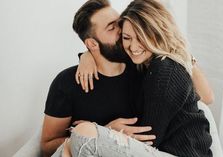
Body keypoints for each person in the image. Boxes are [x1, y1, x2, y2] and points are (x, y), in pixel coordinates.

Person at [58, 0, 213, 156]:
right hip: (164, 149)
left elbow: (149, 138)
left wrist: (103, 130)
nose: (133, 47)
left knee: (81, 134)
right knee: (76, 139)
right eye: (125, 37)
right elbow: (104, 54)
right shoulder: (140, 64)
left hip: (182, 153)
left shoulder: (164, 69)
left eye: (141, 37)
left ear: (155, 32)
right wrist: (87, 56)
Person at [40, 0, 157, 156]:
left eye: (120, 22)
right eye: (112, 27)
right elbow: (47, 146)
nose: (122, 30)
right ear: (92, 44)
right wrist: (104, 133)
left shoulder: (143, 66)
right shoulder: (66, 83)